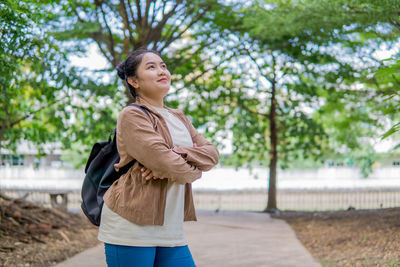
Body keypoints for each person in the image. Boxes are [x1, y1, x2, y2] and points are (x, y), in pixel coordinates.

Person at [97, 49, 219, 267]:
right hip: (130, 227)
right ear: (134, 81)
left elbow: (212, 155)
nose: (161, 71)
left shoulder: (179, 117)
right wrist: (192, 168)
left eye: (163, 65)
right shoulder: (132, 115)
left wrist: (177, 155)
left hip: (170, 230)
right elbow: (166, 163)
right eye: (151, 67)